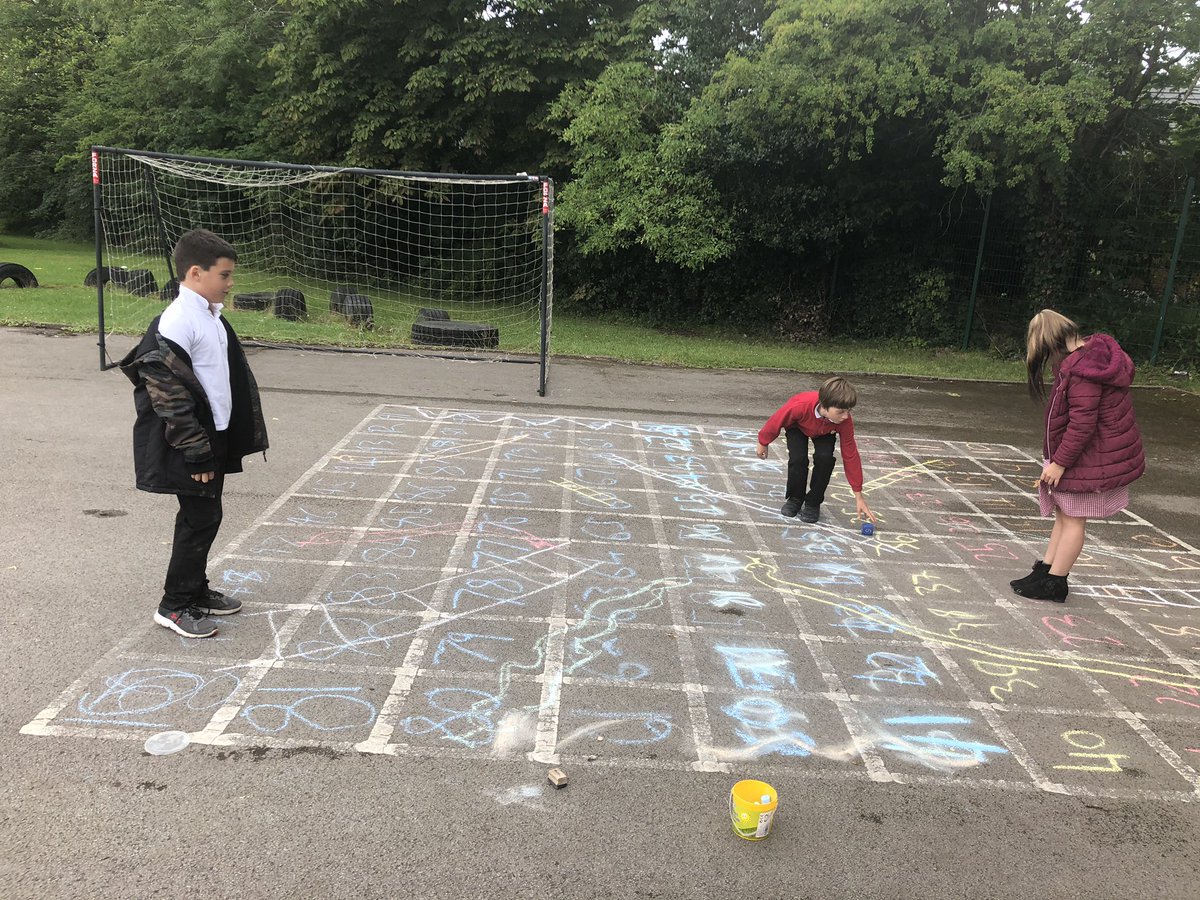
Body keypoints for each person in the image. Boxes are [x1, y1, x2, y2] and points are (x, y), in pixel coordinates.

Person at [119, 229, 269, 637]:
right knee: (199, 518)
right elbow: (166, 393)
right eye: (225, 274)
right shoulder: (178, 320)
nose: (231, 282)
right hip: (192, 441)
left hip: (212, 435)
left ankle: (196, 591)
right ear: (196, 273)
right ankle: (174, 605)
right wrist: (196, 450)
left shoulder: (209, 313)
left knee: (205, 516)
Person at [1010, 309, 1144, 603]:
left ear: (1053, 344)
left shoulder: (1085, 372)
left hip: (1089, 458)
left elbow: (1082, 425)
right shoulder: (1083, 360)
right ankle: (1046, 570)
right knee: (1064, 514)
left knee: (1073, 520)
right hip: (1083, 455)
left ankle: (1056, 583)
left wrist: (1059, 462)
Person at [756, 376, 876, 525]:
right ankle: (795, 498)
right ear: (825, 406)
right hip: (797, 426)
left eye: (849, 411)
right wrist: (763, 441)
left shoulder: (843, 421)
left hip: (826, 430)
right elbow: (777, 420)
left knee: (825, 458)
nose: (846, 416)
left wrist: (859, 495)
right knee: (798, 458)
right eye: (841, 411)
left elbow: (850, 454)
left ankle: (813, 502)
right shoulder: (801, 405)